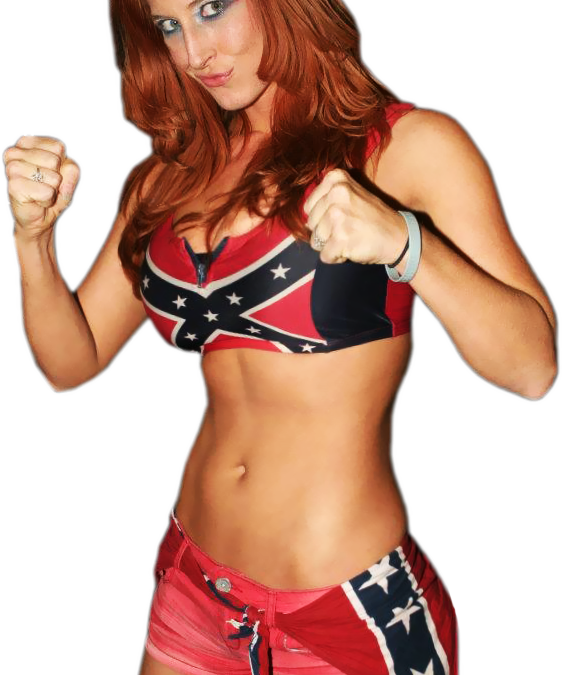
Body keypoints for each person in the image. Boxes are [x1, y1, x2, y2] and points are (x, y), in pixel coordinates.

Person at [4, 1, 558, 674]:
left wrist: (407, 245)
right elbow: (71, 363)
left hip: (344, 607)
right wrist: (34, 239)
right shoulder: (168, 177)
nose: (194, 53)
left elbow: (532, 367)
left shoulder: (407, 146)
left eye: (212, 8)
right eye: (169, 26)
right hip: (195, 583)